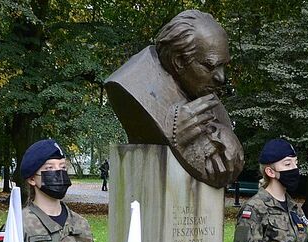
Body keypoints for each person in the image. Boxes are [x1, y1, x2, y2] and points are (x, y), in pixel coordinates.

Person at [104, 9, 243, 188]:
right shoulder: (130, 83)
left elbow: (224, 170)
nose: (221, 77)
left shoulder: (203, 93)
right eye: (210, 66)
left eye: (223, 66)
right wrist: (170, 128)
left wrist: (226, 136)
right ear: (178, 61)